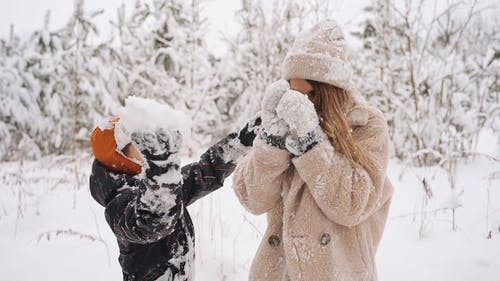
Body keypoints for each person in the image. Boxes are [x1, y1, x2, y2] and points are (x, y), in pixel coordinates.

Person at [233, 20, 394, 281]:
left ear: (329, 89)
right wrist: (272, 140)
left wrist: (311, 142)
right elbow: (252, 199)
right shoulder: (283, 121)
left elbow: (352, 205)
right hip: (277, 272)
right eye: (293, 91)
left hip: (337, 272)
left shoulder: (366, 125)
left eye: (309, 94)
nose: (300, 103)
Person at [89, 115, 261, 281]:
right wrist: (161, 172)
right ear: (120, 156)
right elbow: (153, 221)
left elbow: (200, 175)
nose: (147, 149)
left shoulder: (152, 184)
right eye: (139, 144)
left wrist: (240, 144)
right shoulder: (118, 202)